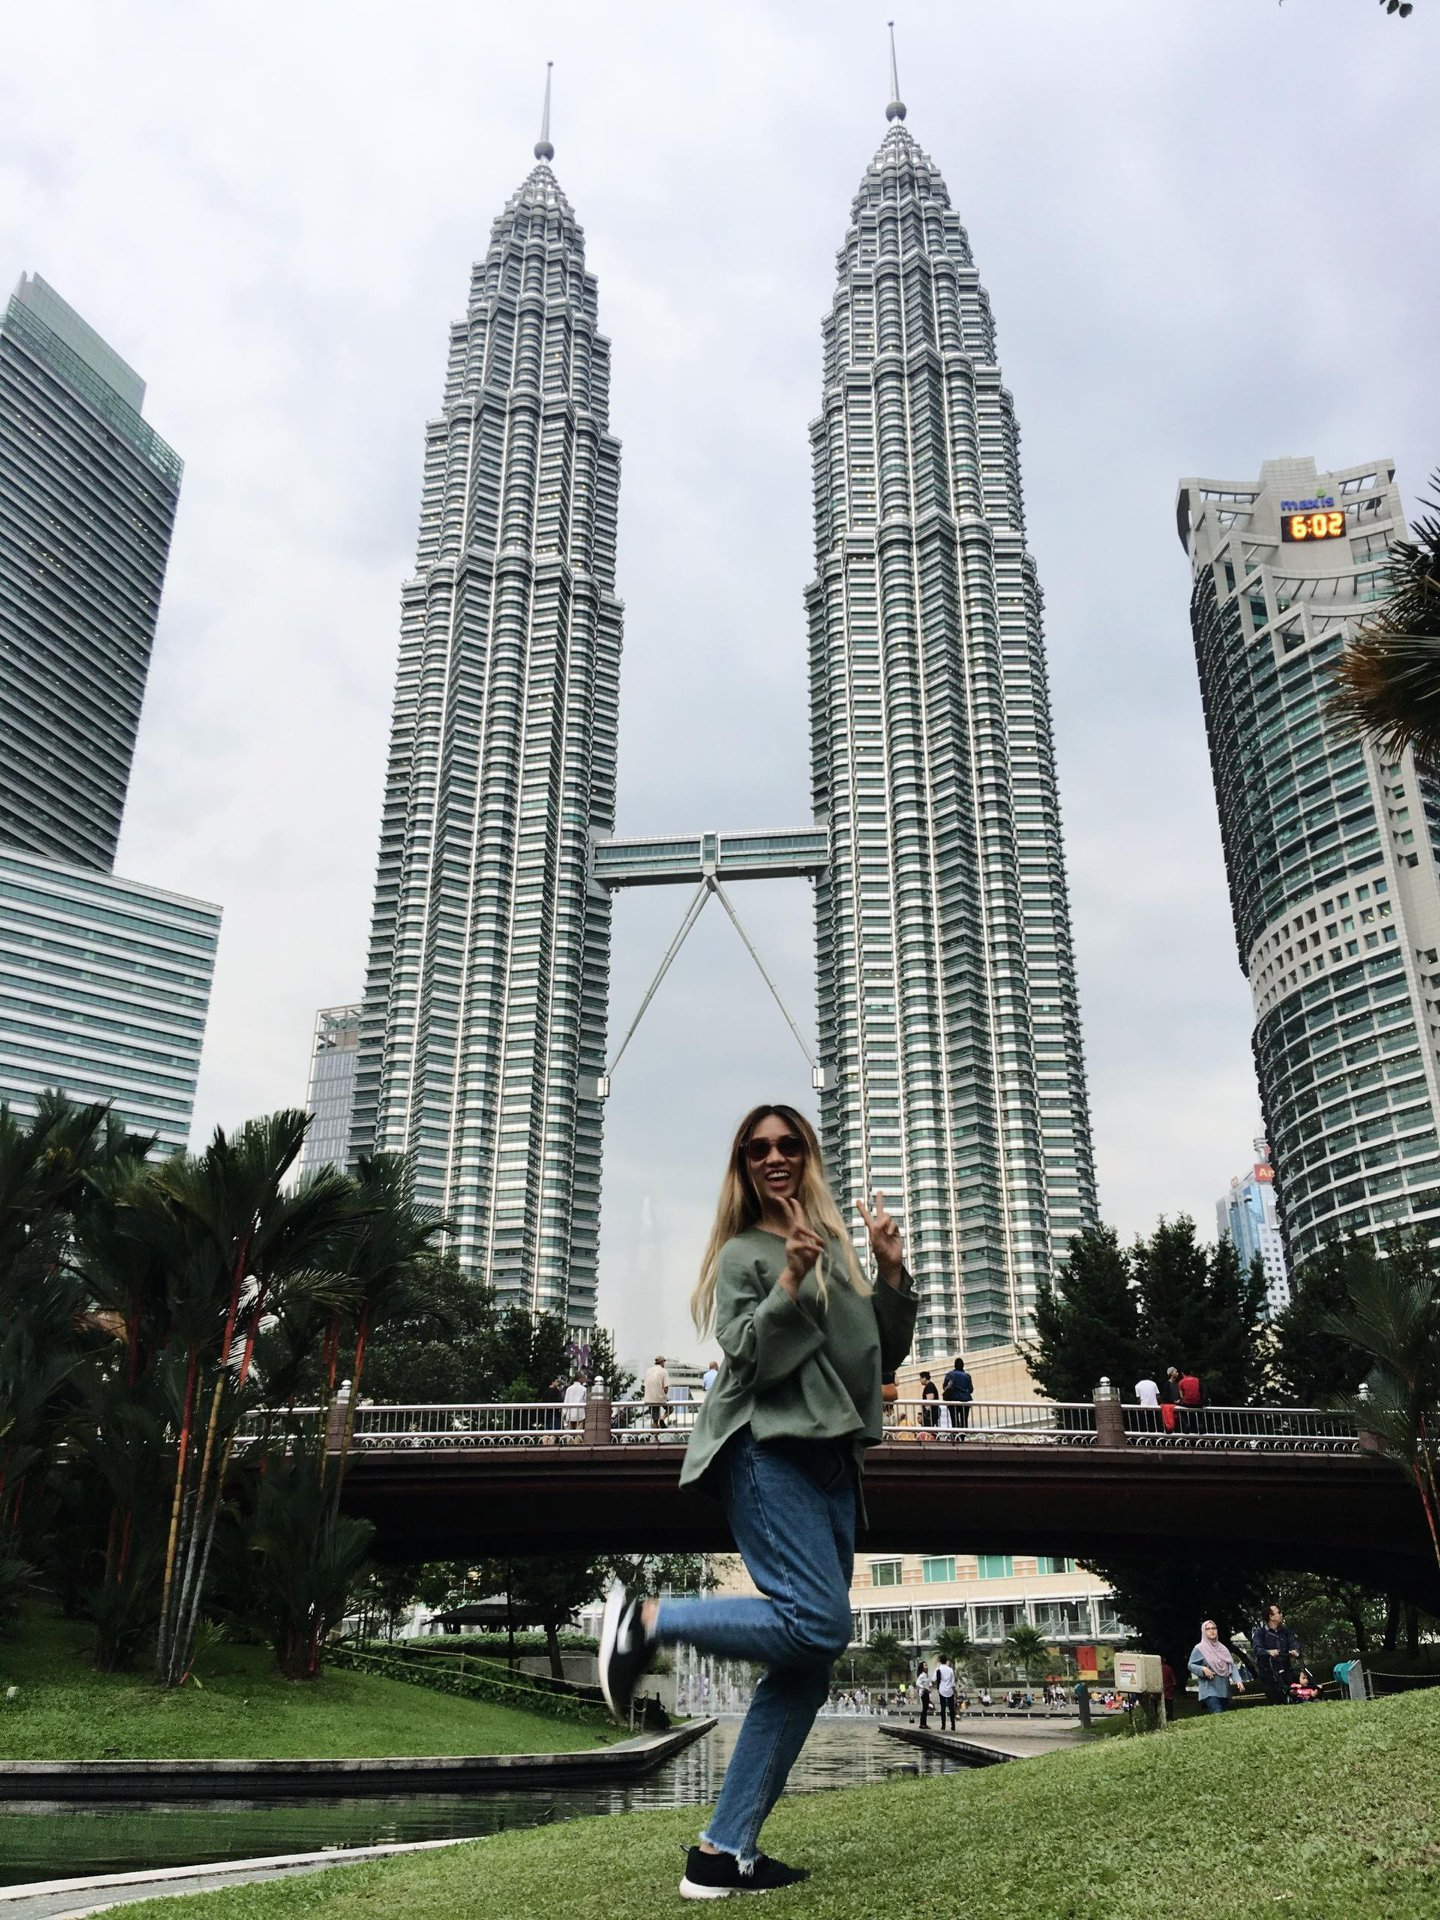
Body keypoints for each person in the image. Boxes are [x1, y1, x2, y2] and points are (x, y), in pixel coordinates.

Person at [596, 1102, 916, 1899]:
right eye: (756, 1149)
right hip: (765, 1446)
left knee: (806, 1668)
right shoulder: (745, 1252)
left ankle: (721, 1852)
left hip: (832, 1460)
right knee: (819, 1623)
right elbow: (747, 1357)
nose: (773, 1157)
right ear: (742, 1166)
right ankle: (647, 1622)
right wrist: (791, 1278)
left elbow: (879, 1353)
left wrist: (888, 1271)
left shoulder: (834, 1243)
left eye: (787, 1144)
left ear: (807, 1154)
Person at [1189, 1620, 1245, 1713]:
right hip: (1209, 1689)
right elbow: (1190, 1665)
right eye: (1208, 1629)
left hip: (1224, 1689)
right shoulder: (1199, 1648)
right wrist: (1203, 1669)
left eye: (1214, 1628)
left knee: (1223, 1715)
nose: (1212, 1631)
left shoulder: (1223, 1649)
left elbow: (1231, 1666)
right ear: (1203, 1631)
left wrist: (1238, 1680)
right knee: (1217, 1713)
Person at [1252, 1603, 1301, 1706]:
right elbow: (1257, 1650)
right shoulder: (1260, 1633)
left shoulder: (1285, 1631)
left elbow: (1294, 1643)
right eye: (1278, 1613)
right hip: (1269, 1673)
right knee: (1276, 1701)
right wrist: (1269, 1652)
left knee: (1294, 1696)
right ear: (1271, 1616)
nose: (1281, 1615)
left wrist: (1295, 1651)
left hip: (1286, 1670)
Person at [942, 1354, 973, 1434]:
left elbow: (944, 1386)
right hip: (965, 1401)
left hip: (953, 1401)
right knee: (964, 1419)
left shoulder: (950, 1374)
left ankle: (956, 1436)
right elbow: (971, 1390)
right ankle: (963, 1436)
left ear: (954, 1366)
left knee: (954, 1419)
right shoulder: (967, 1376)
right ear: (963, 1366)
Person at [643, 1355, 669, 1430]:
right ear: (662, 1362)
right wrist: (664, 1395)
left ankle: (655, 1438)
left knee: (655, 1419)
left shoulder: (648, 1370)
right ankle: (662, 1419)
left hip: (649, 1398)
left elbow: (645, 1385)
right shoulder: (664, 1371)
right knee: (670, 1408)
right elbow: (666, 1387)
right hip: (659, 1398)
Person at [562, 1372, 588, 1441]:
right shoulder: (584, 1389)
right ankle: (577, 1448)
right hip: (580, 1414)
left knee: (569, 1434)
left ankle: (569, 1448)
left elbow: (566, 1402)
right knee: (578, 1434)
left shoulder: (569, 1389)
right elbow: (586, 1401)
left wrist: (564, 1415)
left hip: (569, 1413)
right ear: (580, 1379)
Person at [934, 1655, 957, 1730]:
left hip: (942, 1690)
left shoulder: (938, 1669)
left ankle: (943, 1725)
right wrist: (954, 1690)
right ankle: (953, 1725)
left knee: (943, 1708)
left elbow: (934, 1679)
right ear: (946, 1660)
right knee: (951, 1708)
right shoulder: (950, 1669)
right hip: (950, 1690)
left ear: (940, 1660)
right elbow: (953, 1681)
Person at [1134, 1371, 1160, 1435]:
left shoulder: (1137, 1385)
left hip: (1144, 1407)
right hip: (1154, 1407)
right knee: (1155, 1425)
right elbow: (1158, 1396)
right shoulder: (1153, 1383)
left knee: (1145, 1426)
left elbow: (1138, 1399)